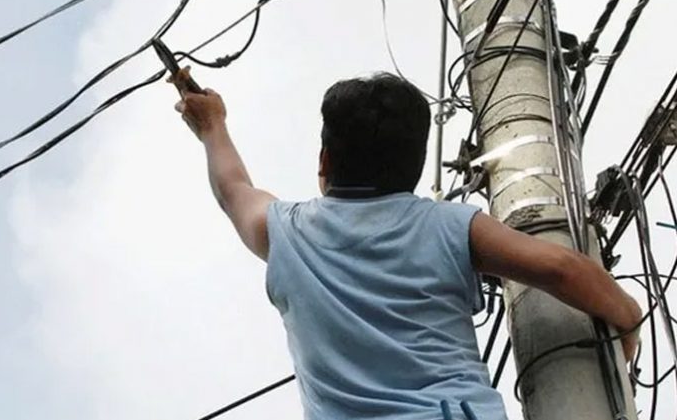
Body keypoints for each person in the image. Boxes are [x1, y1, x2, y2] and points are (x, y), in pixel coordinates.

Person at [172, 71, 642, 420]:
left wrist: (212, 125)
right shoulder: (449, 226)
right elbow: (560, 267)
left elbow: (232, 189)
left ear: (325, 160)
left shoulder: (287, 233)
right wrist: (627, 318)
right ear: (415, 167)